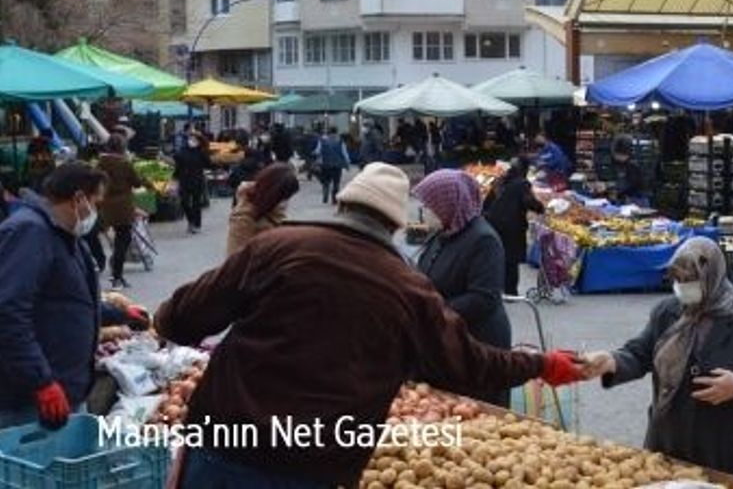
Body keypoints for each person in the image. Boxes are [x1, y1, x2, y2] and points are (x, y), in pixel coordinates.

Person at [155, 163, 584, 488]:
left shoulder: (276, 247)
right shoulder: (409, 289)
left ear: (341, 203)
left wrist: (164, 318)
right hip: (311, 465)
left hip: (224, 447)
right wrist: (542, 364)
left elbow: (181, 319)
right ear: (396, 224)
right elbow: (470, 364)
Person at [580, 237, 733, 484]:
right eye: (677, 280)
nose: (682, 287)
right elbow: (639, 353)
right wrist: (611, 361)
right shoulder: (667, 312)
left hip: (725, 447)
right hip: (672, 440)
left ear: (712, 276)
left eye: (690, 280)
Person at [0, 163, 110, 428]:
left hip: (66, 386)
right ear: (79, 199)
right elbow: (8, 310)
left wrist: (120, 314)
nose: (96, 211)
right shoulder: (29, 232)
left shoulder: (67, 235)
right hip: (29, 399)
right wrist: (41, 381)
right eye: (96, 202)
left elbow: (68, 299)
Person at [412, 169, 514, 407]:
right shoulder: (443, 234)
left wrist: (433, 312)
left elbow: (483, 298)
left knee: (475, 417)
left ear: (448, 203)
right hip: (446, 341)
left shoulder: (483, 240)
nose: (424, 211)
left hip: (478, 344)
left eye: (429, 205)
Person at [483, 157, 545, 296]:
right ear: (524, 169)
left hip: (493, 223)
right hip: (512, 226)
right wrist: (541, 208)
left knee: (498, 256)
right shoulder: (522, 184)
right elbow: (529, 201)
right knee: (511, 260)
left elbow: (487, 203)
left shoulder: (500, 181)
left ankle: (496, 288)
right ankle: (510, 292)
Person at [97, 136, 143, 289]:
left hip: (105, 206)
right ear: (123, 147)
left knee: (116, 240)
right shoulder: (125, 164)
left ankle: (116, 272)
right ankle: (117, 276)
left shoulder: (100, 163)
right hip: (123, 208)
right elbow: (137, 183)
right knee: (122, 242)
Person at [226, 162, 299, 256]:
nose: (285, 203)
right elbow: (235, 260)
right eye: (283, 198)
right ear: (273, 194)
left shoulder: (274, 211)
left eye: (287, 198)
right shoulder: (243, 219)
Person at [172, 131, 211, 235]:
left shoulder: (201, 152)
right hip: (184, 180)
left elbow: (209, 164)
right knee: (184, 202)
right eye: (190, 139)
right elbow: (178, 165)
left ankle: (196, 225)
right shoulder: (182, 151)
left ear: (199, 142)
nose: (191, 141)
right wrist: (174, 178)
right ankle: (191, 220)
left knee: (196, 203)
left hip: (197, 180)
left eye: (194, 140)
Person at [314, 126, 350, 204]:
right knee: (336, 183)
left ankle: (325, 192)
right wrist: (347, 163)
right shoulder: (340, 141)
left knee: (326, 181)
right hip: (337, 165)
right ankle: (334, 199)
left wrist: (316, 155)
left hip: (326, 164)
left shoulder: (322, 141)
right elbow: (345, 154)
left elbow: (317, 151)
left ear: (328, 132)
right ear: (336, 132)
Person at [611, 137, 646, 205]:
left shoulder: (633, 165)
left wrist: (614, 188)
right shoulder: (622, 163)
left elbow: (630, 184)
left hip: (636, 200)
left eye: (616, 154)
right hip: (627, 198)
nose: (614, 156)